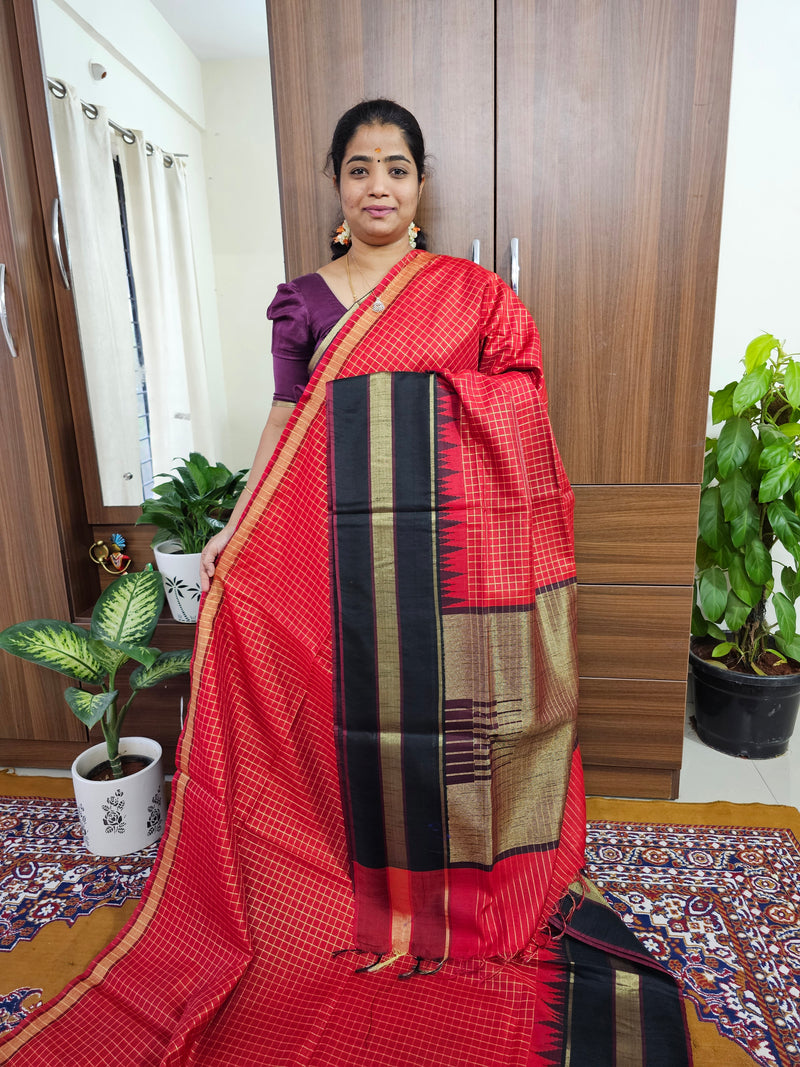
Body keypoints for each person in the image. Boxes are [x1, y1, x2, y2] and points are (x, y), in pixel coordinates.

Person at [0, 101, 691, 1066]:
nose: (379, 185)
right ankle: (344, 878)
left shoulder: (471, 294)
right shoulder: (306, 302)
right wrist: (235, 531)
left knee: (452, 728)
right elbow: (287, 425)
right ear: (337, 185)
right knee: (339, 729)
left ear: (420, 186)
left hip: (450, 582)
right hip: (330, 562)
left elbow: (519, 398)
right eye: (361, 168)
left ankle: (451, 885)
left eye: (397, 168)